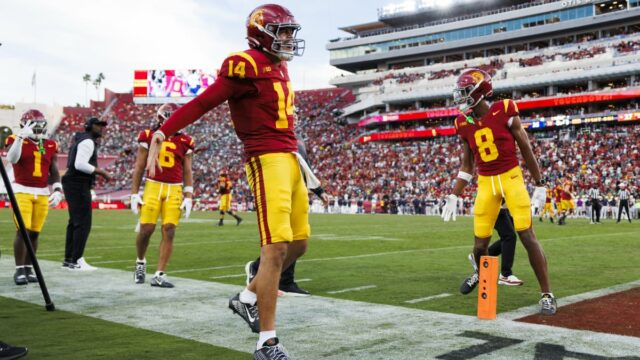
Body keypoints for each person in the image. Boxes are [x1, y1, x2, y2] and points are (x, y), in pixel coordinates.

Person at [145, 4, 306, 358]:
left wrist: (303, 165)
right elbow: (203, 103)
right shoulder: (244, 65)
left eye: (291, 32)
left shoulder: (280, 67)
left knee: (299, 244)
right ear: (261, 33)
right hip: (265, 159)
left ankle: (247, 296)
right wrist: (163, 130)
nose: (290, 39)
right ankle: (266, 342)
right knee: (276, 248)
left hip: (289, 158)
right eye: (283, 32)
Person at [442, 68, 556, 315]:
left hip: (511, 177)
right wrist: (454, 194)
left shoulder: (505, 109)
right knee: (479, 246)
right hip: (486, 182)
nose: (460, 99)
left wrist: (539, 183)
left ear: (480, 92)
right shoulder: (462, 122)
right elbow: (467, 165)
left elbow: (525, 146)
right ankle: (479, 272)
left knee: (526, 235)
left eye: (464, 93)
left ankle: (547, 293)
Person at [245, 139, 330, 297]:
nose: (294, 115)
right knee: (281, 236)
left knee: (297, 238)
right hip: (279, 186)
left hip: (298, 188)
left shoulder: (297, 140)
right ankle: (257, 269)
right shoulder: (279, 137)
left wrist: (318, 190)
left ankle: (285, 280)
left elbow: (305, 167)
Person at [130, 103, 194, 288]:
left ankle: (159, 274)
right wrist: (134, 193)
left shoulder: (186, 141)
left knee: (170, 230)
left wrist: (188, 195)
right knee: (146, 230)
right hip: (153, 186)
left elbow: (188, 171)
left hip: (174, 189)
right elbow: (140, 166)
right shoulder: (149, 136)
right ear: (161, 118)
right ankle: (140, 262)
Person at [5, 110, 63, 285]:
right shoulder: (15, 140)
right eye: (33, 123)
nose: (37, 127)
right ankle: (19, 270)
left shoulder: (50, 144)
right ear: (24, 125)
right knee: (23, 231)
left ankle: (29, 268)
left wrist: (58, 188)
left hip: (42, 192)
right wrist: (22, 138)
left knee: (35, 233)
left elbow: (53, 169)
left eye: (40, 123)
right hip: (22, 191)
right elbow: (12, 159)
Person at [62, 117, 110, 270]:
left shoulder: (83, 140)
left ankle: (69, 259)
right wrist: (101, 172)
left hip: (73, 182)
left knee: (74, 222)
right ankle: (76, 260)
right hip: (78, 183)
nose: (101, 128)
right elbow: (80, 164)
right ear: (89, 126)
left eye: (102, 126)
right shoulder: (88, 141)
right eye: (98, 125)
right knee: (83, 222)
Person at [461, 205, 523, 294]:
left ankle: (479, 263)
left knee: (507, 238)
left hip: (504, 206)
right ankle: (505, 274)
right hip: (493, 204)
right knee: (509, 236)